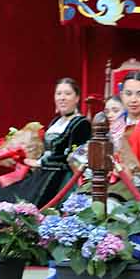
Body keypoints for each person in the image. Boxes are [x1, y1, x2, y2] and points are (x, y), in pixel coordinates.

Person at [36, 77, 92, 207]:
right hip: (44, 172)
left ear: (77, 98)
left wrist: (40, 162)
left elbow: (74, 157)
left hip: (63, 176)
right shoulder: (55, 122)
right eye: (59, 93)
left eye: (67, 94)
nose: (62, 98)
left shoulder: (81, 123)